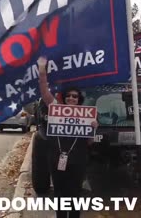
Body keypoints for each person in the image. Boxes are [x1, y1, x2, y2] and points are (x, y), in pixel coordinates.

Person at [37, 56, 98, 218]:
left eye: (75, 96)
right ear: (64, 97)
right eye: (69, 95)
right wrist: (42, 70)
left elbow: (90, 142)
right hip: (57, 159)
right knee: (59, 193)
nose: (71, 98)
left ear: (79, 100)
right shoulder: (56, 109)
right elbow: (44, 92)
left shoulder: (86, 116)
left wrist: (94, 129)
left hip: (78, 159)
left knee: (75, 194)